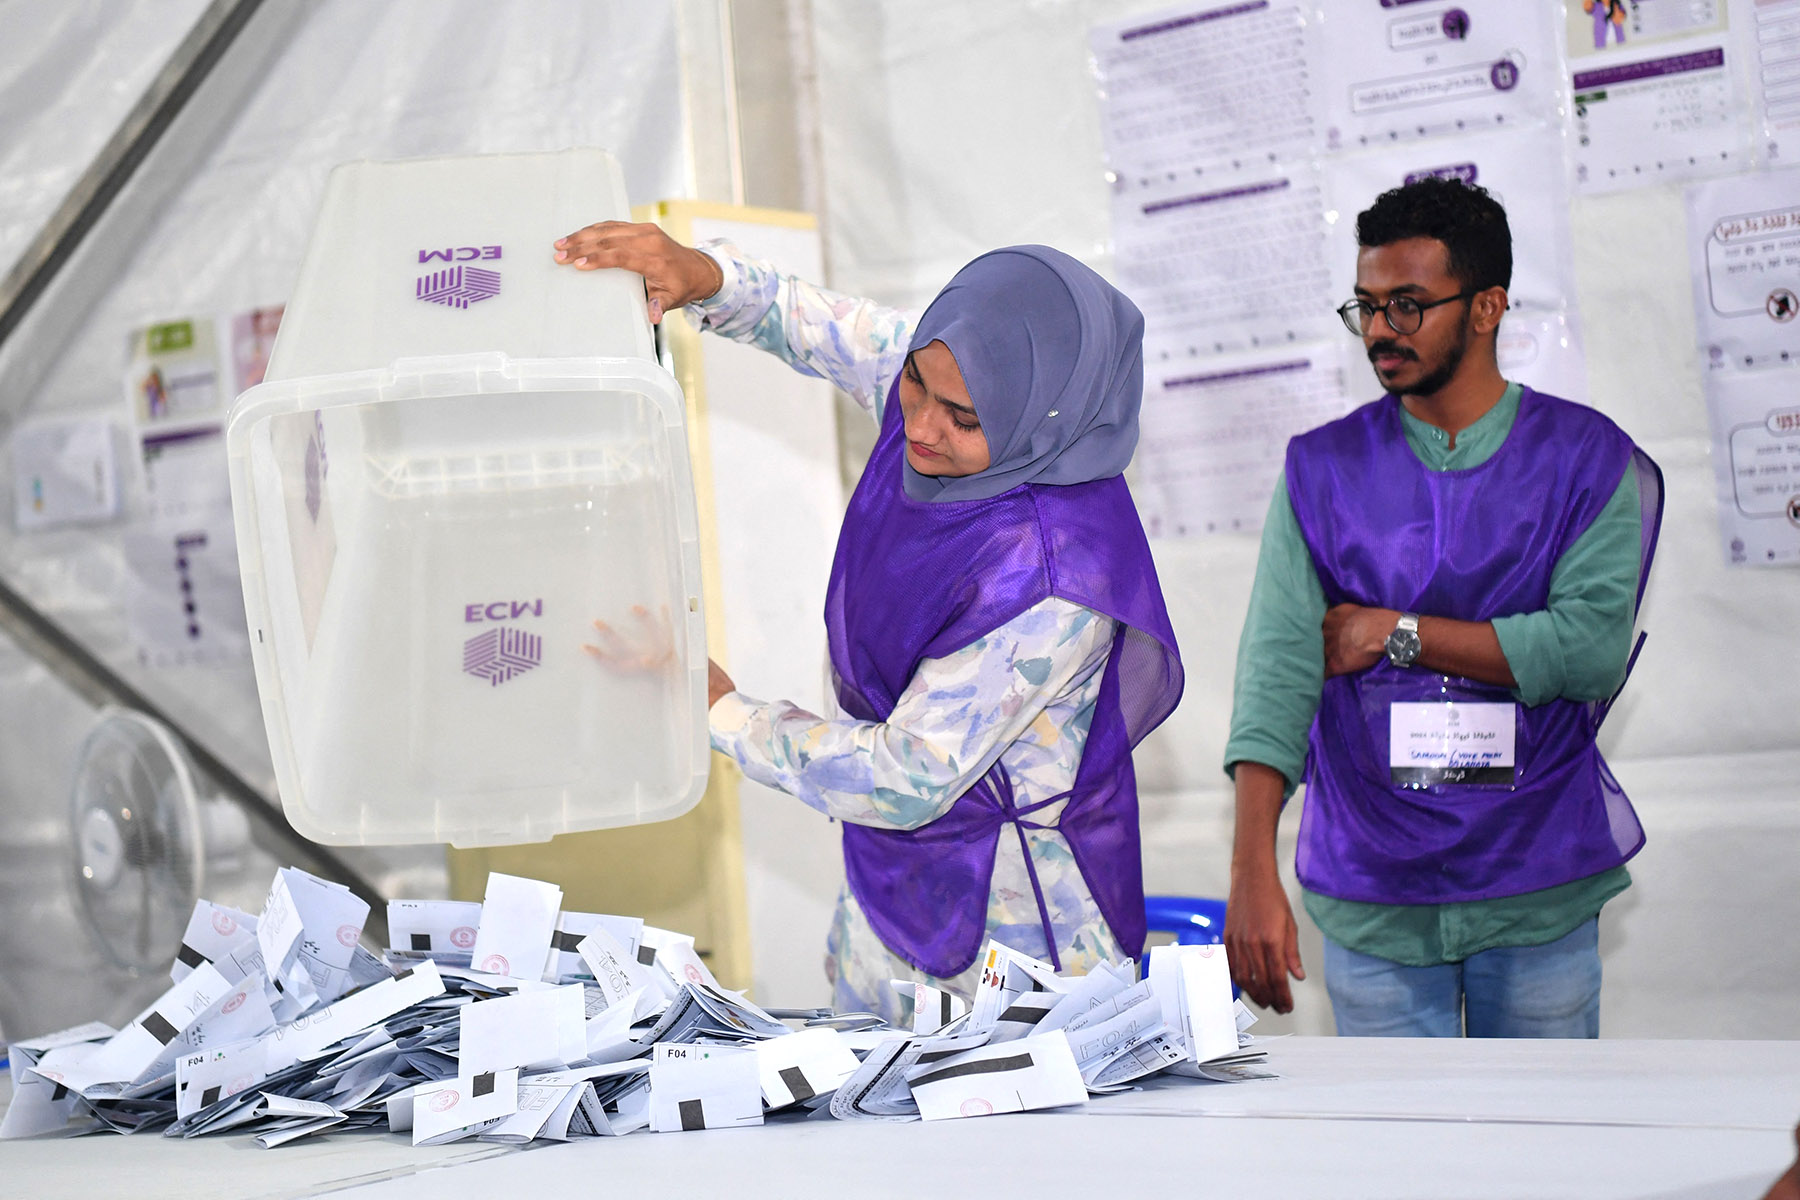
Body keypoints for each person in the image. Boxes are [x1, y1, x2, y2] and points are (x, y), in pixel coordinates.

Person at [554, 223, 1183, 1023]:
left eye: (962, 418)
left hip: (1014, 930)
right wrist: (705, 275)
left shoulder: (1053, 582)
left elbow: (902, 777)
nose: (920, 426)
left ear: (1044, 421)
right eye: (916, 384)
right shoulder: (948, 380)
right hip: (891, 883)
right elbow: (820, 326)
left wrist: (720, 709)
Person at [1221, 178, 1662, 1037]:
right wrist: (1250, 871)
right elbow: (1276, 675)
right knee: (1395, 1128)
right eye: (1367, 306)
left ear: (1487, 306)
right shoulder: (1323, 469)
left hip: (1536, 879)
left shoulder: (1583, 457)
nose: (1380, 331)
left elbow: (1587, 652)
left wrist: (1395, 634)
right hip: (1374, 888)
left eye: (1409, 305)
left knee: (1541, 1125)